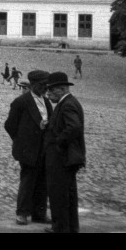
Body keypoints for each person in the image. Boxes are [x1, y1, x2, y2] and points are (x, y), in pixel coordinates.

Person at [4, 70, 52, 226]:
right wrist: (21, 141)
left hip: (44, 149)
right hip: (28, 149)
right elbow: (10, 125)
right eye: (43, 85)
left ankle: (39, 213)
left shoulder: (46, 102)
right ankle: (22, 213)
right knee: (28, 180)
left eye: (46, 85)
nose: (46, 88)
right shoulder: (21, 102)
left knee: (42, 181)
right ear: (34, 85)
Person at [43, 71, 86, 233]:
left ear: (60, 89)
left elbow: (73, 127)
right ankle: (69, 227)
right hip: (66, 157)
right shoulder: (68, 103)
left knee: (59, 194)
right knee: (67, 195)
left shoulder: (67, 105)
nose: (48, 95)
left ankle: (61, 228)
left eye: (50, 91)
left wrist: (58, 142)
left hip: (63, 157)